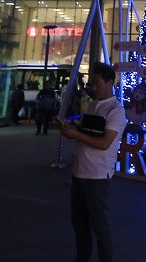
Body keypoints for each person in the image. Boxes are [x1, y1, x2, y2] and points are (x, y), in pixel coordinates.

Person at [59, 62, 127, 262]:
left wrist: (76, 134)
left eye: (97, 83)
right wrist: (70, 131)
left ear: (110, 82)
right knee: (79, 223)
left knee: (99, 224)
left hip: (97, 174)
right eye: (92, 83)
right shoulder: (92, 105)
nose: (93, 87)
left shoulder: (116, 110)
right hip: (79, 172)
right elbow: (84, 133)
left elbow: (105, 142)